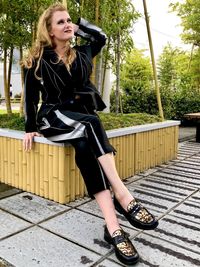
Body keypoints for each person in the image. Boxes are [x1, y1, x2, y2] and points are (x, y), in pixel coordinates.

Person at [22, 3, 158, 265]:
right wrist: (30, 128)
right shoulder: (36, 60)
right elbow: (29, 99)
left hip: (82, 118)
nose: (67, 25)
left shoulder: (83, 53)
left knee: (85, 149)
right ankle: (123, 194)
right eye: (60, 22)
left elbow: (101, 37)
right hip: (53, 119)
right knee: (90, 125)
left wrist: (80, 25)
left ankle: (113, 228)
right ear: (49, 30)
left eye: (69, 20)